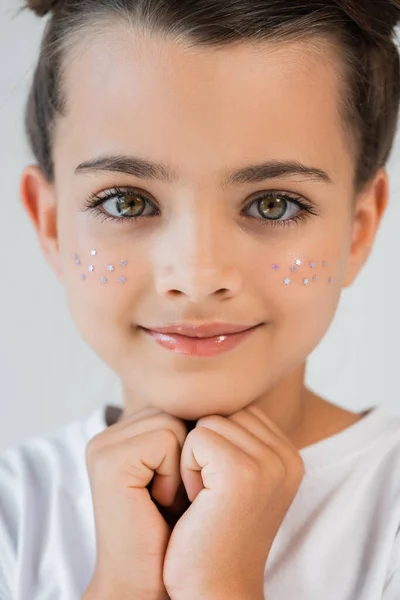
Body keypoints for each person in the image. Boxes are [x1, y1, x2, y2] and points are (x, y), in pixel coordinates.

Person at [1, 0, 400, 598]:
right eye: (126, 202)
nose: (197, 274)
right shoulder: (14, 519)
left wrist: (221, 584)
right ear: (51, 224)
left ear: (359, 228)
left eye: (274, 204)